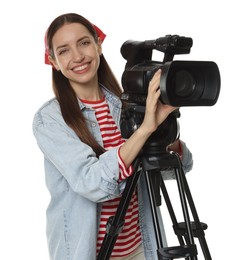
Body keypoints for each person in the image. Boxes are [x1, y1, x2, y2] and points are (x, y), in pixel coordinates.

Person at [32, 13, 193, 260]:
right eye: (64, 51)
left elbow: (177, 168)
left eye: (84, 43)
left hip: (143, 246)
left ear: (98, 44)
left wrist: (164, 131)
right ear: (53, 61)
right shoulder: (51, 120)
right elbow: (91, 182)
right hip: (89, 252)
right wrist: (144, 131)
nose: (77, 57)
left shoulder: (125, 103)